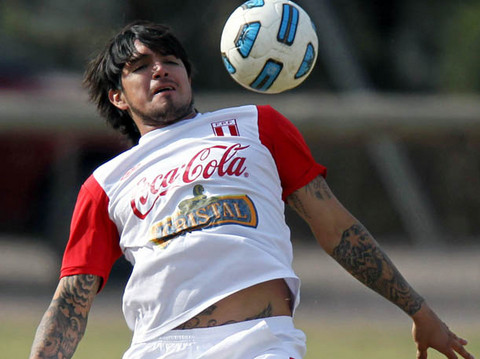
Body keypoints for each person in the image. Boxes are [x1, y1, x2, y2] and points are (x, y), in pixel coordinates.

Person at [30, 20, 473, 359]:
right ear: (118, 98)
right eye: (141, 67)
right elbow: (71, 301)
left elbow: (336, 228)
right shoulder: (106, 183)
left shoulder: (257, 126)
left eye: (170, 60)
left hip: (261, 344)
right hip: (160, 348)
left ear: (187, 74)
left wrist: (417, 309)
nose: (160, 70)